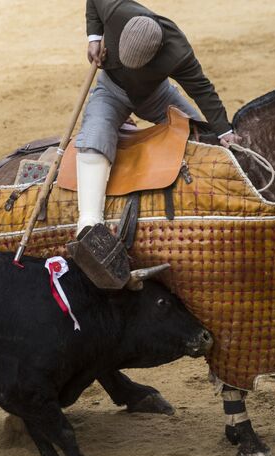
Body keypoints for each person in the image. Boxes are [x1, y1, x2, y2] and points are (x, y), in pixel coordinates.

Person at [71, 0, 242, 286]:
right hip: (111, 90)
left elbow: (202, 88)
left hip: (155, 95)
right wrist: (94, 36)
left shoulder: (178, 52)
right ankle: (89, 223)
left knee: (199, 135)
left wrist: (224, 131)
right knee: (94, 139)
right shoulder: (115, 9)